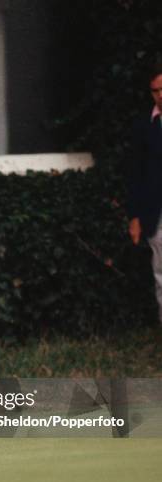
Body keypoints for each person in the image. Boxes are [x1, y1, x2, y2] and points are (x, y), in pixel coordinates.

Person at [126, 62, 162, 323]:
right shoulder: (143, 127)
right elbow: (134, 174)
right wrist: (135, 217)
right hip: (156, 214)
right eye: (155, 90)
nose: (160, 94)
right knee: (161, 274)